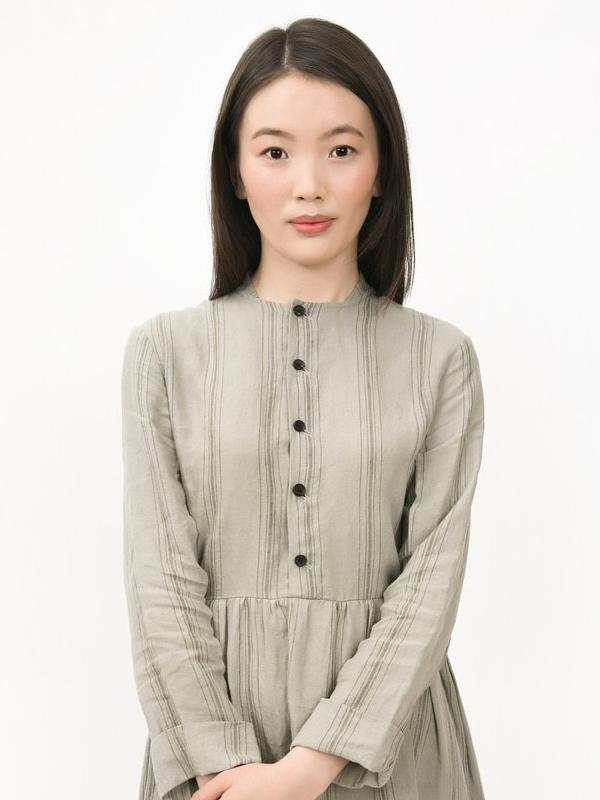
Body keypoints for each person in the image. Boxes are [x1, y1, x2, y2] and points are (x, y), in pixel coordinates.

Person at [121, 17, 486, 800]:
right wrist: (221, 762)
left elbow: (430, 584)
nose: (309, 185)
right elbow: (160, 581)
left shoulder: (441, 358)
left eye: (342, 150)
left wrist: (310, 767)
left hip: (391, 753)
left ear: (382, 170)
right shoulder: (164, 353)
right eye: (275, 152)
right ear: (235, 171)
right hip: (211, 761)